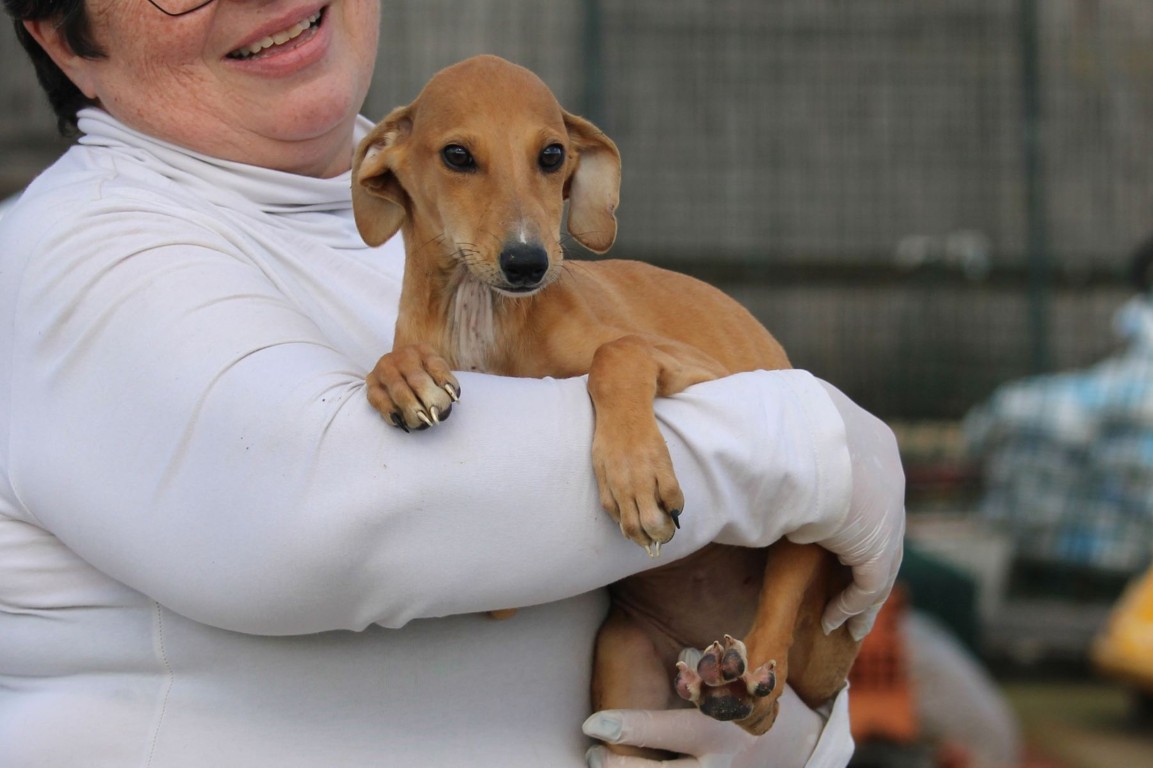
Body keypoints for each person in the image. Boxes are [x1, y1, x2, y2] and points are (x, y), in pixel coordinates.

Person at [0, 2, 906, 766]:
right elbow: (320, 516)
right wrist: (800, 448)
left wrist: (787, 735)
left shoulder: (425, 211)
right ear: (63, 38)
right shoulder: (80, 249)